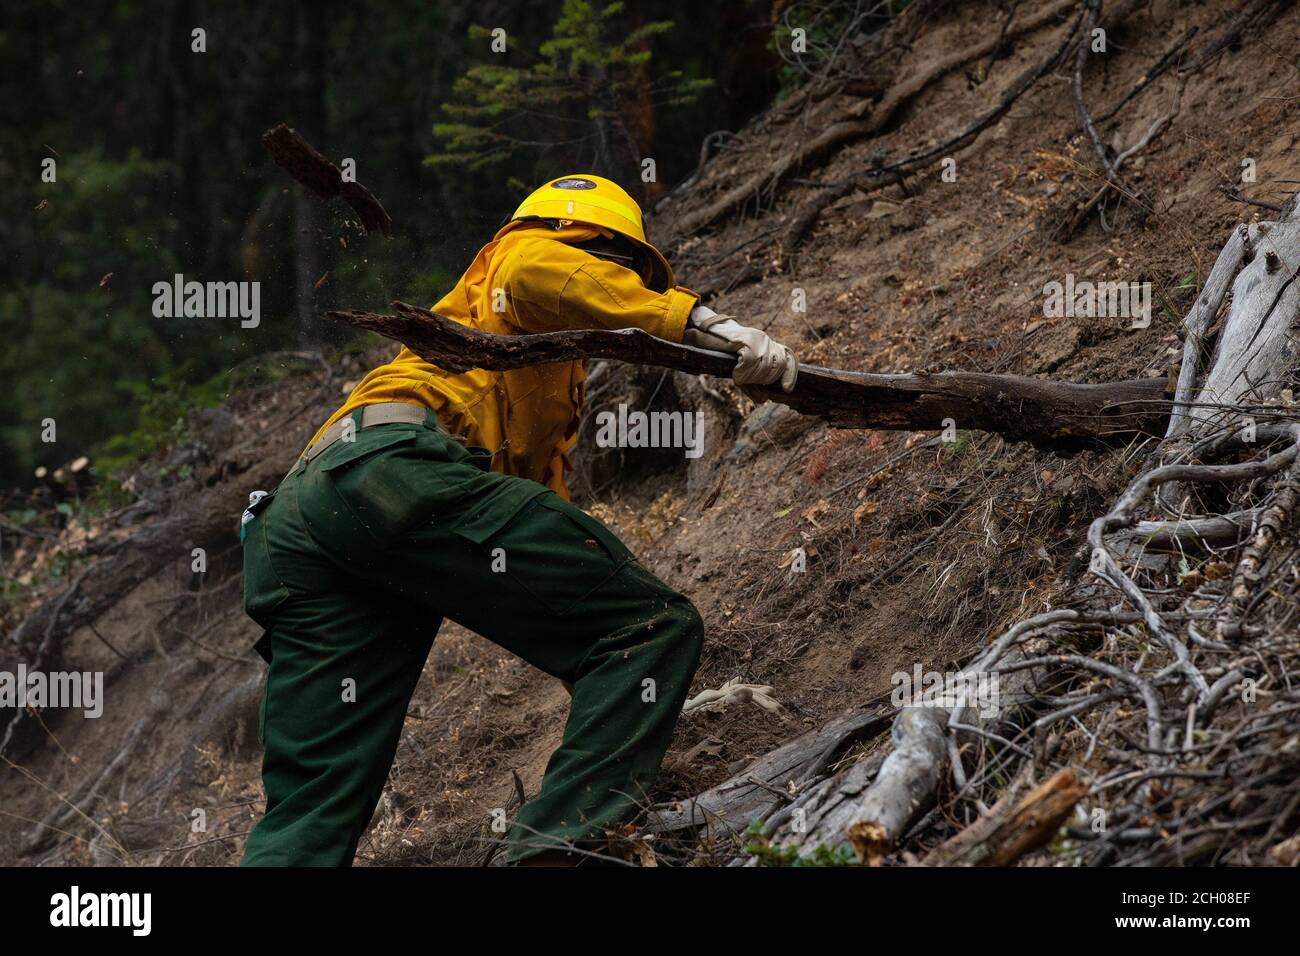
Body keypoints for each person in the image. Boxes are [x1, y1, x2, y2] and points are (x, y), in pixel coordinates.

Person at [239, 174, 799, 865]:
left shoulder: (535, 372)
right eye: (613, 264)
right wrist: (698, 323)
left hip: (306, 516)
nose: (613, 282)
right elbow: (549, 272)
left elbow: (545, 555)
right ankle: (556, 852)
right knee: (651, 625)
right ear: (581, 241)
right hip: (389, 470)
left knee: (313, 801)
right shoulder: (521, 259)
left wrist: (608, 684)